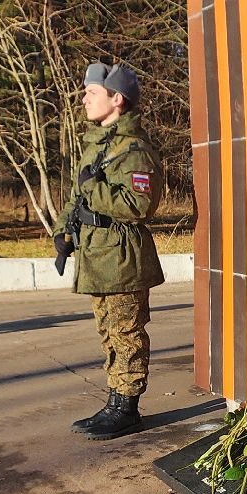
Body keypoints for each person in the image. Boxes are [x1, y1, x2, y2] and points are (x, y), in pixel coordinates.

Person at [62, 61, 165, 441]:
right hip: (97, 256)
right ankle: (115, 402)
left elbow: (139, 205)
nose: (84, 98)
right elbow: (76, 197)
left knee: (126, 334)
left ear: (116, 98)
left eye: (92, 92)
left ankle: (127, 408)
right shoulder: (97, 144)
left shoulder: (133, 150)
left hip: (122, 258)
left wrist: (92, 190)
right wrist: (63, 233)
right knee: (109, 333)